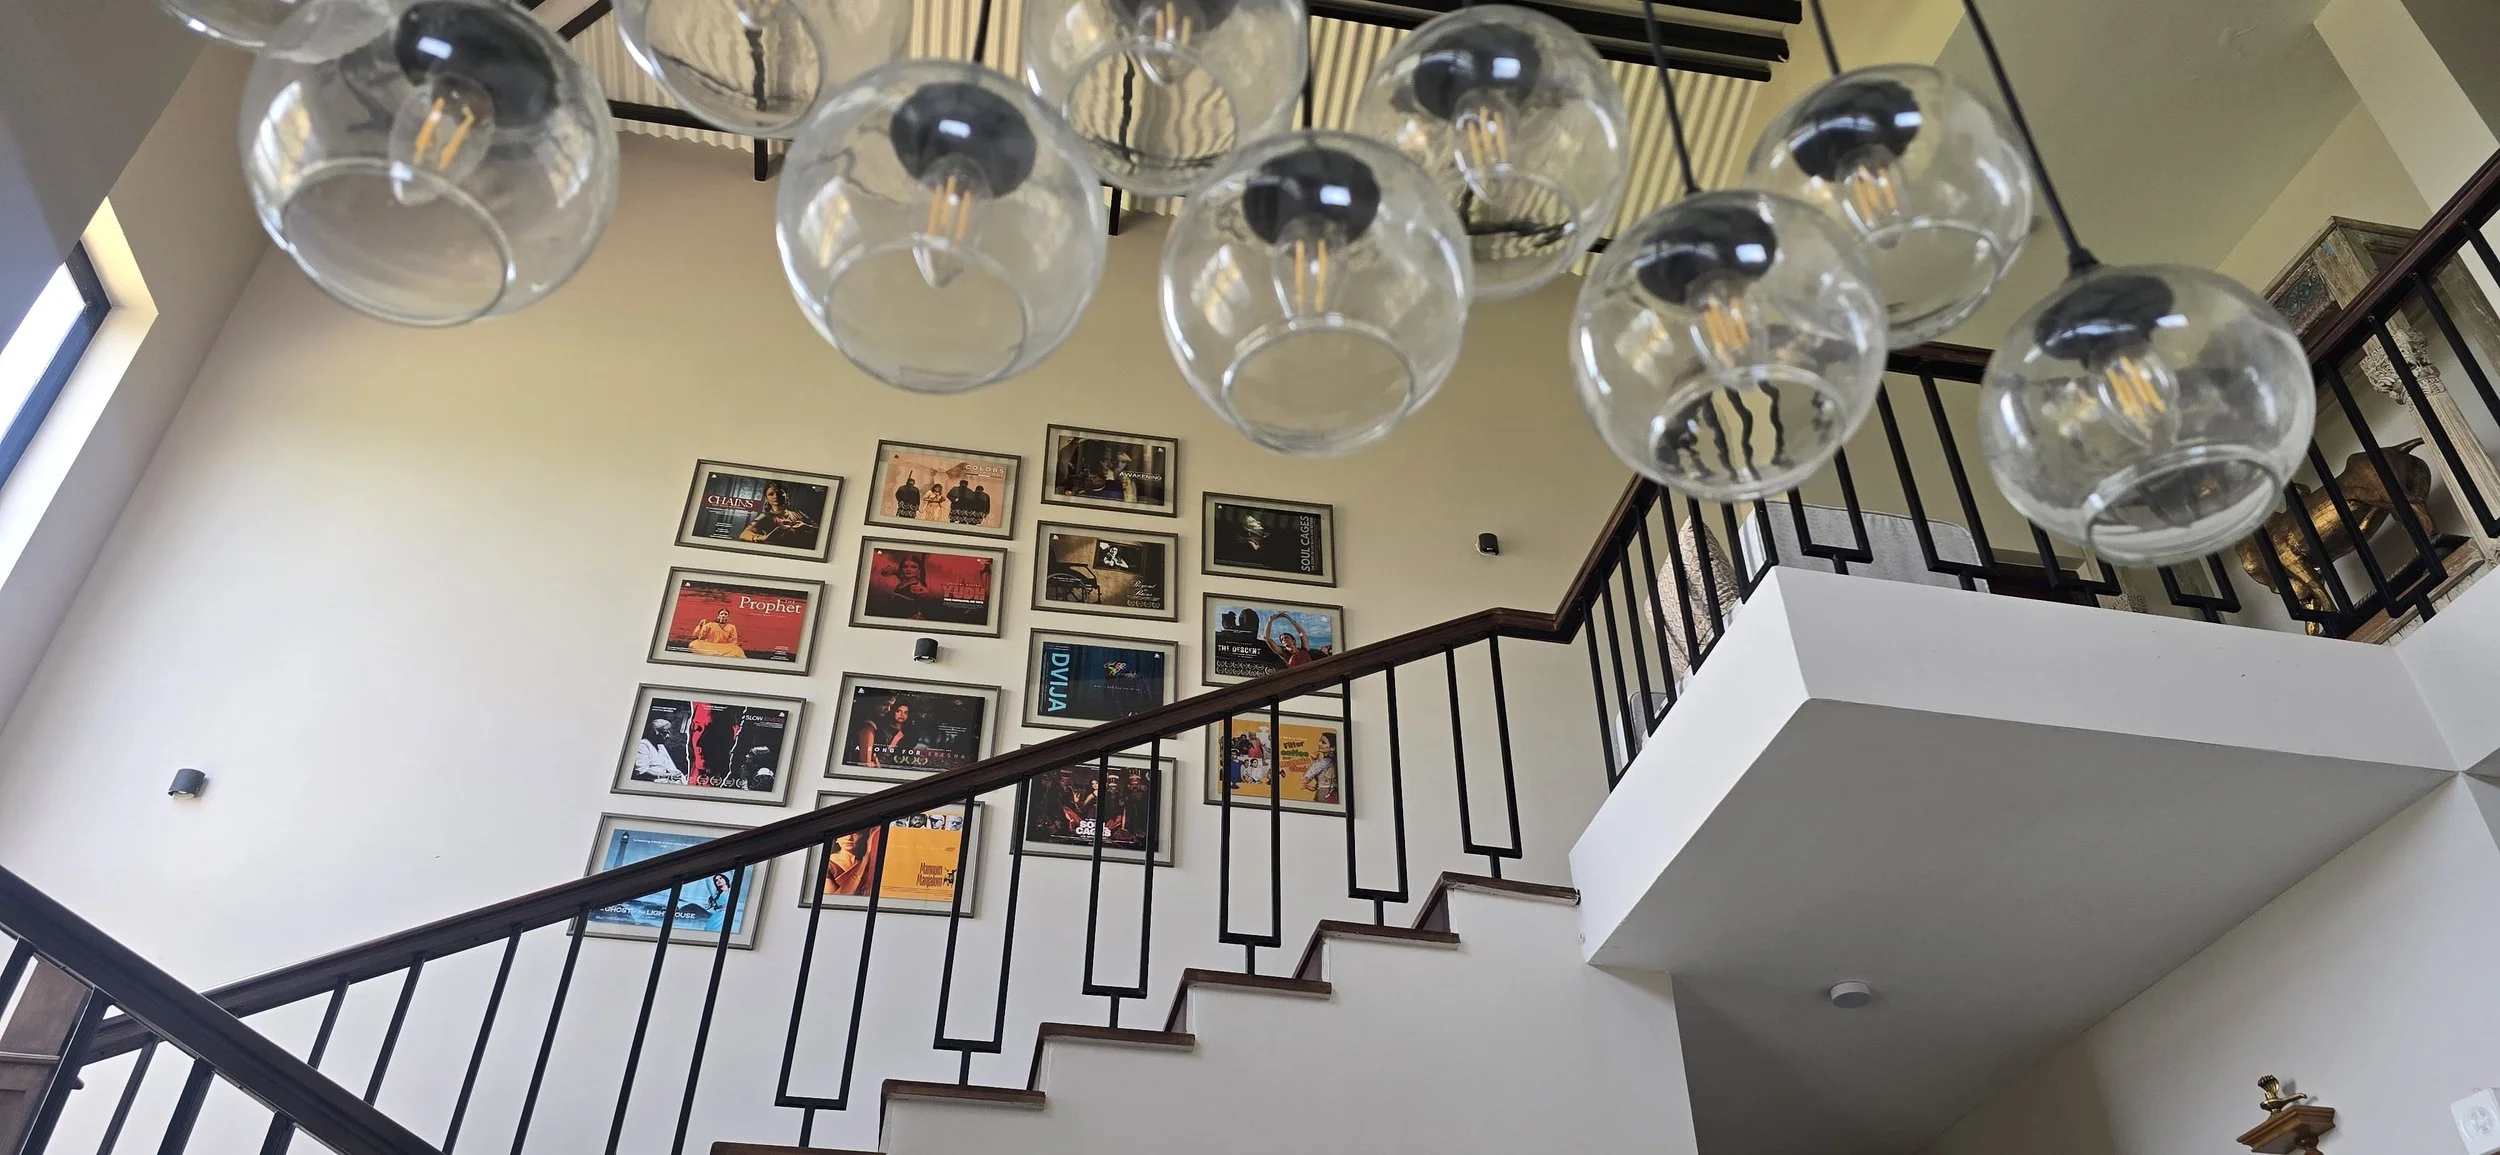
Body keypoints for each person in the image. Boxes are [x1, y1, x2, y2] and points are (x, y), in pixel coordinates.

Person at [737, 482, 816, 547]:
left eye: (779, 493)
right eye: (771, 494)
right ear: (767, 499)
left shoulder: (799, 513)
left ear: (787, 496)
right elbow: (743, 534)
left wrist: (805, 526)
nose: (776, 496)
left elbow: (819, 530)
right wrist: (763, 538)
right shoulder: (765, 516)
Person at [631, 716, 686, 783]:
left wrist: (678, 775)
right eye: (665, 733)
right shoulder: (643, 745)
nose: (668, 736)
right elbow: (641, 771)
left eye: (669, 733)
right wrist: (668, 776)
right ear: (655, 732)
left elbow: (670, 766)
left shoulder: (660, 745)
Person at [823, 830, 874, 897]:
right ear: (836, 839)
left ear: (862, 836)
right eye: (843, 833)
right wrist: (863, 864)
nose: (849, 838)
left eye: (855, 833)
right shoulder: (827, 864)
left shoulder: (869, 863)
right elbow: (834, 900)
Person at [1302, 733, 1340, 803]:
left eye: (1323, 742)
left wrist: (1314, 762)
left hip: (1323, 794)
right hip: (1332, 793)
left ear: (1332, 748)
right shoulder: (1334, 761)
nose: (1319, 744)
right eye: (1319, 741)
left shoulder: (1323, 762)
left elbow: (1304, 780)